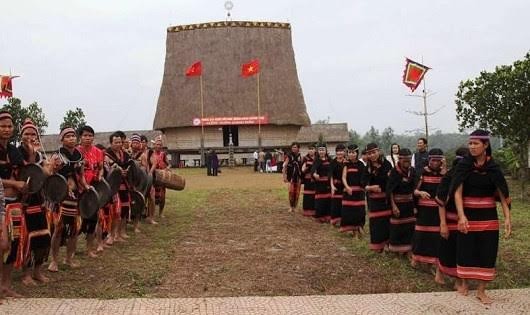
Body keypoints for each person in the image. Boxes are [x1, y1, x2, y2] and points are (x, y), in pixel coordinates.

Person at [451, 130, 511, 304]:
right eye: (470, 143)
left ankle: (481, 291)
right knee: (465, 250)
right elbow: (457, 192)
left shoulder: (493, 167)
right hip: (468, 216)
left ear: (485, 145)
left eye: (476, 143)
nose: (472, 147)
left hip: (488, 218)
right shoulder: (464, 166)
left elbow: (502, 192)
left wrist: (507, 218)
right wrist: (461, 216)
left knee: (487, 252)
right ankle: (464, 283)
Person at [48, 126, 90, 272]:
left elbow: (82, 175)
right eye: (68, 136)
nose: (71, 138)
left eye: (73, 135)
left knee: (74, 228)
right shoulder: (56, 156)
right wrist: (55, 168)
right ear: (62, 139)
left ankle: (69, 258)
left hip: (76, 194)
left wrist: (85, 185)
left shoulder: (79, 155)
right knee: (59, 228)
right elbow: (50, 175)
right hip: (61, 196)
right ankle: (54, 261)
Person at [18, 119, 52, 285]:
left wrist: (51, 167)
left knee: (43, 237)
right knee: (27, 238)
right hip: (23, 201)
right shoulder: (16, 153)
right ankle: (26, 274)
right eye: (27, 134)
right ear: (21, 136)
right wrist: (31, 154)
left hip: (39, 200)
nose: (30, 136)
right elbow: (27, 173)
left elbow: (45, 173)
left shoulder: (40, 154)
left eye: (33, 134)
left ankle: (38, 271)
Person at [0, 111, 27, 297]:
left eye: (10, 126)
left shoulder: (14, 150)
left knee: (12, 245)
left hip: (14, 204)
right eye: (3, 126)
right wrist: (14, 183)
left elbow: (26, 171)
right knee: (1, 244)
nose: (7, 129)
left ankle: (6, 286)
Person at [435, 147, 469, 292]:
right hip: (450, 219)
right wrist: (443, 224)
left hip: (464, 219)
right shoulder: (450, 177)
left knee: (462, 250)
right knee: (448, 248)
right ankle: (451, 278)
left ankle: (458, 278)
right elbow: (441, 202)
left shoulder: (470, 175)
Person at [411, 148, 446, 270]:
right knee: (421, 235)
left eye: (438, 161)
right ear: (429, 160)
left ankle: (433, 262)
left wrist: (445, 171)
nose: (435, 163)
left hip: (438, 211)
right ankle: (416, 259)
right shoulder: (422, 173)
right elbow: (414, 191)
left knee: (435, 237)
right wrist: (420, 193)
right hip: (424, 211)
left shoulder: (445, 174)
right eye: (433, 160)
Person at [77, 125, 105, 256]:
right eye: (85, 135)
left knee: (92, 220)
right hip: (79, 188)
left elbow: (101, 168)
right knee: (76, 221)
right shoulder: (76, 152)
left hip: (93, 189)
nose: (88, 138)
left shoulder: (98, 152)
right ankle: (71, 251)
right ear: (80, 137)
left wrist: (100, 176)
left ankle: (89, 249)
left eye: (90, 136)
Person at [361, 143, 392, 252]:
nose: (372, 155)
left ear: (378, 152)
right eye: (369, 153)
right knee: (375, 223)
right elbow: (363, 182)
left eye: (374, 152)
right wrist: (370, 187)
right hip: (373, 200)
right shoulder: (367, 167)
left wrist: (382, 187)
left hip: (385, 200)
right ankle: (377, 246)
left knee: (386, 222)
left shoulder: (387, 165)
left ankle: (387, 245)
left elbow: (390, 182)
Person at [386, 148, 417, 254]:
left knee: (409, 227)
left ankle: (408, 249)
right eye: (405, 159)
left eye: (409, 159)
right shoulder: (394, 172)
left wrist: (415, 206)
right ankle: (396, 249)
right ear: (399, 159)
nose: (407, 161)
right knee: (397, 227)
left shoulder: (412, 171)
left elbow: (414, 188)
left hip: (409, 203)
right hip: (398, 204)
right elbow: (390, 190)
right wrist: (393, 206)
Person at [105, 131, 131, 243]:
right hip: (112, 186)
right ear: (111, 143)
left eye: (120, 142)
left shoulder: (125, 154)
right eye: (115, 142)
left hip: (124, 185)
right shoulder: (106, 155)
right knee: (115, 211)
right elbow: (109, 167)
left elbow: (130, 165)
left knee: (124, 209)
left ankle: (120, 233)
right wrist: (119, 170)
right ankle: (111, 235)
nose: (118, 144)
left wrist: (127, 171)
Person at [341, 144, 366, 238]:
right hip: (349, 191)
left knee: (360, 211)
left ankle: (359, 227)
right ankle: (352, 230)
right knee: (349, 211)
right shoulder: (346, 164)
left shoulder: (361, 164)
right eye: (350, 152)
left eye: (353, 152)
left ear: (357, 153)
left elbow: (364, 178)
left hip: (359, 192)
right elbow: (343, 177)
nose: (352, 154)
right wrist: (347, 187)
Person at [149, 136, 170, 218]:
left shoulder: (163, 154)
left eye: (160, 145)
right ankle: (150, 214)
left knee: (162, 197)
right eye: (157, 144)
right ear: (154, 145)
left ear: (162, 146)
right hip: (153, 178)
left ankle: (161, 213)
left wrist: (167, 168)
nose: (158, 146)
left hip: (161, 178)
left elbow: (169, 164)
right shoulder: (151, 154)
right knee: (152, 197)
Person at [312, 143, 331, 223]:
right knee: (320, 201)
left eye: (323, 149)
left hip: (328, 184)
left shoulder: (330, 160)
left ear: (326, 151)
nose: (321, 151)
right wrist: (314, 174)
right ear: (318, 151)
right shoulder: (317, 161)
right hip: (320, 184)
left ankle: (328, 216)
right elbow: (313, 170)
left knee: (328, 201)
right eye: (320, 150)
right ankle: (320, 217)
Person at [282, 142, 302, 213]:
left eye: (295, 147)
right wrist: (284, 176)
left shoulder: (300, 157)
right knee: (291, 192)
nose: (294, 148)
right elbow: (284, 166)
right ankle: (291, 207)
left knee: (297, 192)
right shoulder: (289, 156)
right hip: (291, 177)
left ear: (298, 148)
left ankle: (295, 206)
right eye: (293, 147)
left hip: (298, 178)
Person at [329, 144, 346, 226]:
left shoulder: (347, 162)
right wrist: (332, 186)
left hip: (344, 186)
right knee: (335, 204)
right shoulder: (333, 162)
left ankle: (343, 220)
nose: (340, 153)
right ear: (336, 152)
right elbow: (331, 175)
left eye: (341, 151)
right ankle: (335, 221)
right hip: (336, 186)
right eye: (338, 151)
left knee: (343, 204)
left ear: (344, 152)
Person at [301, 143, 316, 217]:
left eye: (312, 149)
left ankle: (314, 210)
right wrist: (306, 169)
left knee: (314, 194)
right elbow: (303, 169)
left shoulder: (317, 158)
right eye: (309, 149)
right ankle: (307, 211)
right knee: (307, 195)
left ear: (315, 150)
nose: (311, 150)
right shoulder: (305, 158)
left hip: (316, 180)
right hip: (307, 178)